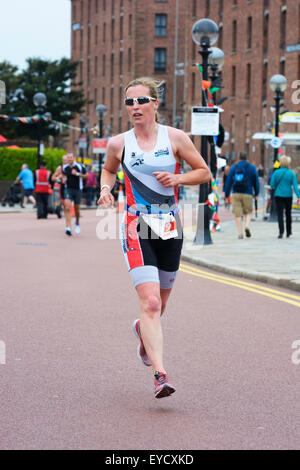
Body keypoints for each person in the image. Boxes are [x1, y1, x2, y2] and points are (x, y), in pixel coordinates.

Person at [97, 77, 210, 399]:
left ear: (155, 103)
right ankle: (160, 375)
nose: (135, 107)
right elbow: (108, 169)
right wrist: (106, 188)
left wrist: (178, 177)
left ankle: (141, 331)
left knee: (160, 306)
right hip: (137, 223)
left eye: (141, 101)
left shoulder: (175, 137)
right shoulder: (119, 143)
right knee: (149, 302)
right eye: (129, 102)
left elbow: (203, 172)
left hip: (169, 225)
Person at [224, 152, 260, 239]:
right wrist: (256, 193)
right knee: (248, 212)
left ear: (239, 157)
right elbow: (256, 181)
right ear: (246, 158)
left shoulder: (234, 168)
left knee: (238, 214)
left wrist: (227, 194)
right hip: (248, 193)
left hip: (236, 193)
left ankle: (240, 233)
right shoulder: (252, 168)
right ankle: (247, 226)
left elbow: (228, 182)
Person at [270, 155, 300, 238]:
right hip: (288, 195)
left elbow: (272, 184)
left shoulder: (276, 173)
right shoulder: (291, 173)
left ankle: (281, 232)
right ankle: (289, 231)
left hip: (278, 195)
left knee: (280, 214)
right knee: (288, 213)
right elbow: (295, 186)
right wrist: (298, 196)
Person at [62, 153, 88, 236]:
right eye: (68, 157)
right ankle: (68, 227)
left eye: (71, 157)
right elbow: (63, 175)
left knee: (77, 209)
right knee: (67, 207)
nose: (69, 159)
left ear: (74, 158)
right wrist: (63, 179)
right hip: (68, 189)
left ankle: (77, 223)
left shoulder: (80, 166)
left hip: (78, 189)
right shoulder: (65, 167)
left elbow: (87, 176)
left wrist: (77, 174)